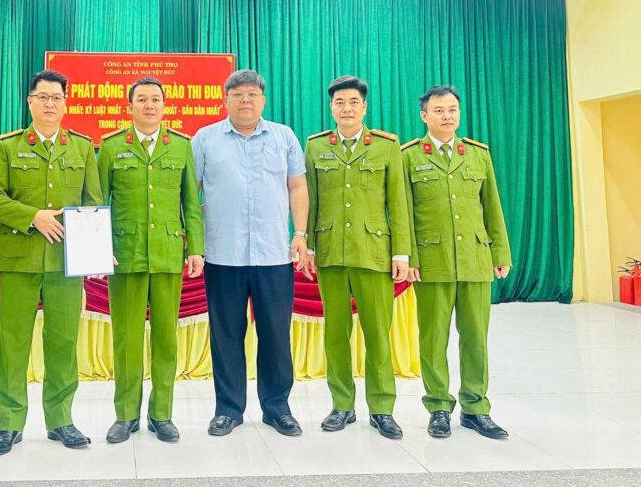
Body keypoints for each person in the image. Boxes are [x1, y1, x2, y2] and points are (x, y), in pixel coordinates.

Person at [0, 70, 102, 455]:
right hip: (20, 259)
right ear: (30, 102)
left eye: (56, 98)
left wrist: (95, 250)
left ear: (66, 104)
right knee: (13, 342)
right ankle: (9, 423)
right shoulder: (7, 147)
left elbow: (92, 202)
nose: (50, 104)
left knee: (63, 342)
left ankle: (61, 419)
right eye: (43, 97)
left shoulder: (82, 148)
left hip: (67, 262)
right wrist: (32, 216)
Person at [191, 69, 309, 438]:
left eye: (253, 94)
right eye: (238, 94)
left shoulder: (284, 136)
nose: (246, 100)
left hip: (273, 254)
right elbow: (191, 193)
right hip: (222, 255)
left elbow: (297, 186)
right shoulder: (204, 139)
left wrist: (300, 233)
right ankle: (228, 410)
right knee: (226, 334)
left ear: (263, 100)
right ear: (225, 99)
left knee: (275, 334)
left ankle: (277, 408)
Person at [401, 85, 512, 440]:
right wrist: (409, 256)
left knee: (476, 337)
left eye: (452, 110)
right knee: (433, 337)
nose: (447, 116)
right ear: (424, 115)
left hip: (475, 259)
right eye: (439, 110)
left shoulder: (478, 154)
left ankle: (476, 408)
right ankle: (438, 406)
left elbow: (492, 206)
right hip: (431, 261)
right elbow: (403, 213)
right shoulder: (408, 157)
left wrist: (500, 252)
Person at [97, 76, 204, 444]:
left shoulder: (181, 146)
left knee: (165, 338)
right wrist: (98, 248)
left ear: (164, 106)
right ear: (129, 106)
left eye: (155, 99)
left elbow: (190, 203)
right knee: (126, 338)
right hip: (124, 256)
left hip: (166, 254)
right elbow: (98, 202)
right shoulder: (111, 146)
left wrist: (195, 248)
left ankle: (162, 414)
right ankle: (125, 415)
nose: (148, 105)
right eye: (141, 99)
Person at [304, 75, 410, 440]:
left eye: (353, 102)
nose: (346, 109)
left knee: (378, 333)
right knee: (336, 333)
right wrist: (310, 247)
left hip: (373, 253)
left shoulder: (386, 146)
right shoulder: (316, 147)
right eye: (339, 103)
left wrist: (401, 252)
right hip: (331, 253)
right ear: (331, 108)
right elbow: (311, 200)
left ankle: (382, 408)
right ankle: (342, 405)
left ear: (364, 107)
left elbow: (398, 202)